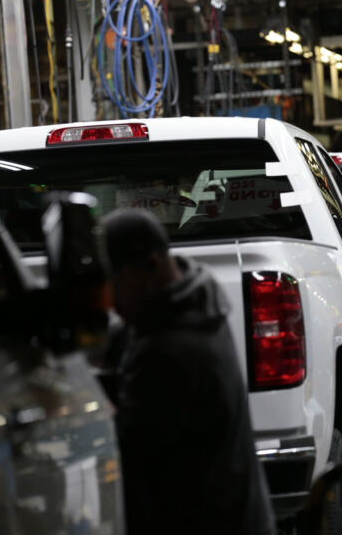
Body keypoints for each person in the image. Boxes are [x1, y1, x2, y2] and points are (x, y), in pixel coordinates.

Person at [102, 208, 276, 535]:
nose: (110, 301)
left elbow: (125, 446)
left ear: (150, 267)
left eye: (115, 282)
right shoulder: (195, 298)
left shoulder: (173, 349)